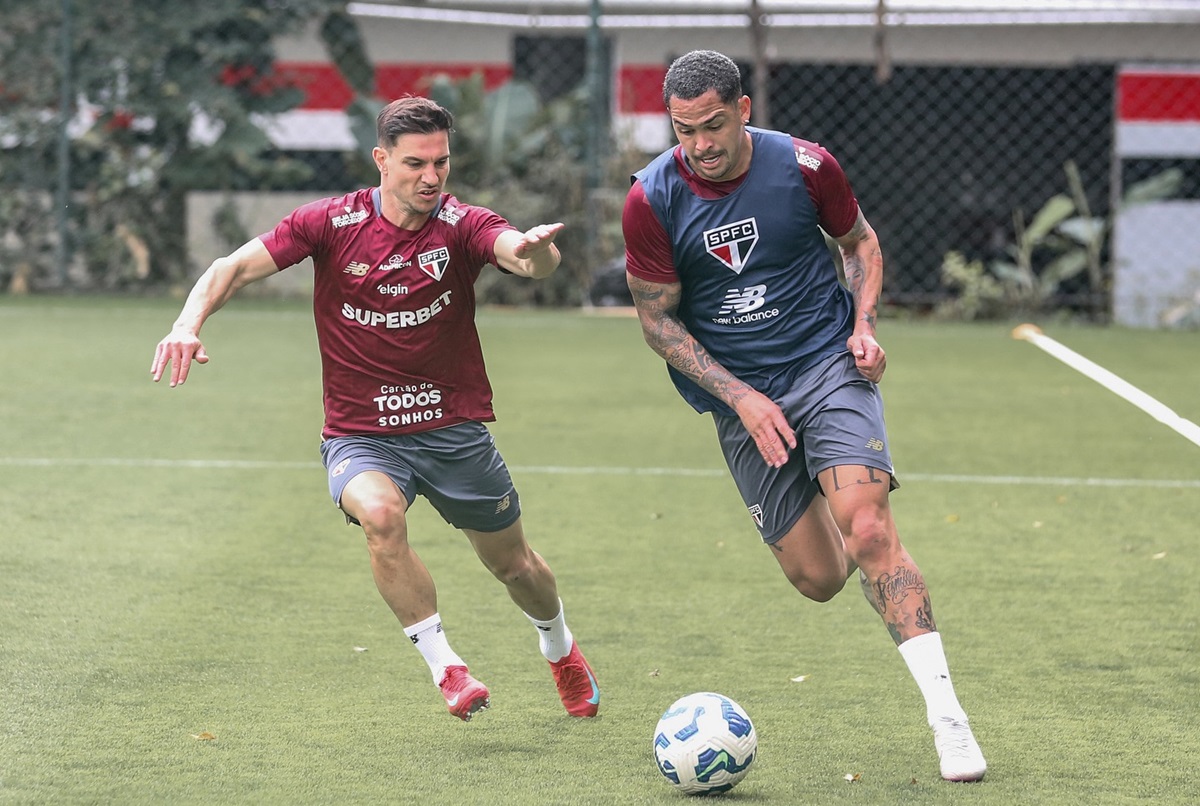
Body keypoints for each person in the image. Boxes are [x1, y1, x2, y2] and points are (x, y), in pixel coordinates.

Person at [151, 95, 599, 722]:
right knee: (381, 517)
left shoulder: (462, 223)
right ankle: (447, 668)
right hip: (362, 433)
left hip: (453, 432)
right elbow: (232, 268)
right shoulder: (329, 223)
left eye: (441, 163)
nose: (432, 177)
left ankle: (560, 648)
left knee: (515, 565)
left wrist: (536, 249)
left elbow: (520, 256)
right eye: (416, 163)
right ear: (381, 160)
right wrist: (186, 322)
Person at [621, 50, 985, 781]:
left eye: (714, 125)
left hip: (825, 365)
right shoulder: (651, 200)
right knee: (820, 577)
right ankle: (842, 506)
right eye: (685, 130)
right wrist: (742, 398)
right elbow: (657, 324)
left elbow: (859, 244)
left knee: (871, 527)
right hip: (740, 394)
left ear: (745, 109)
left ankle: (949, 719)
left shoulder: (807, 167)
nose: (701, 144)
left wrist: (866, 326)